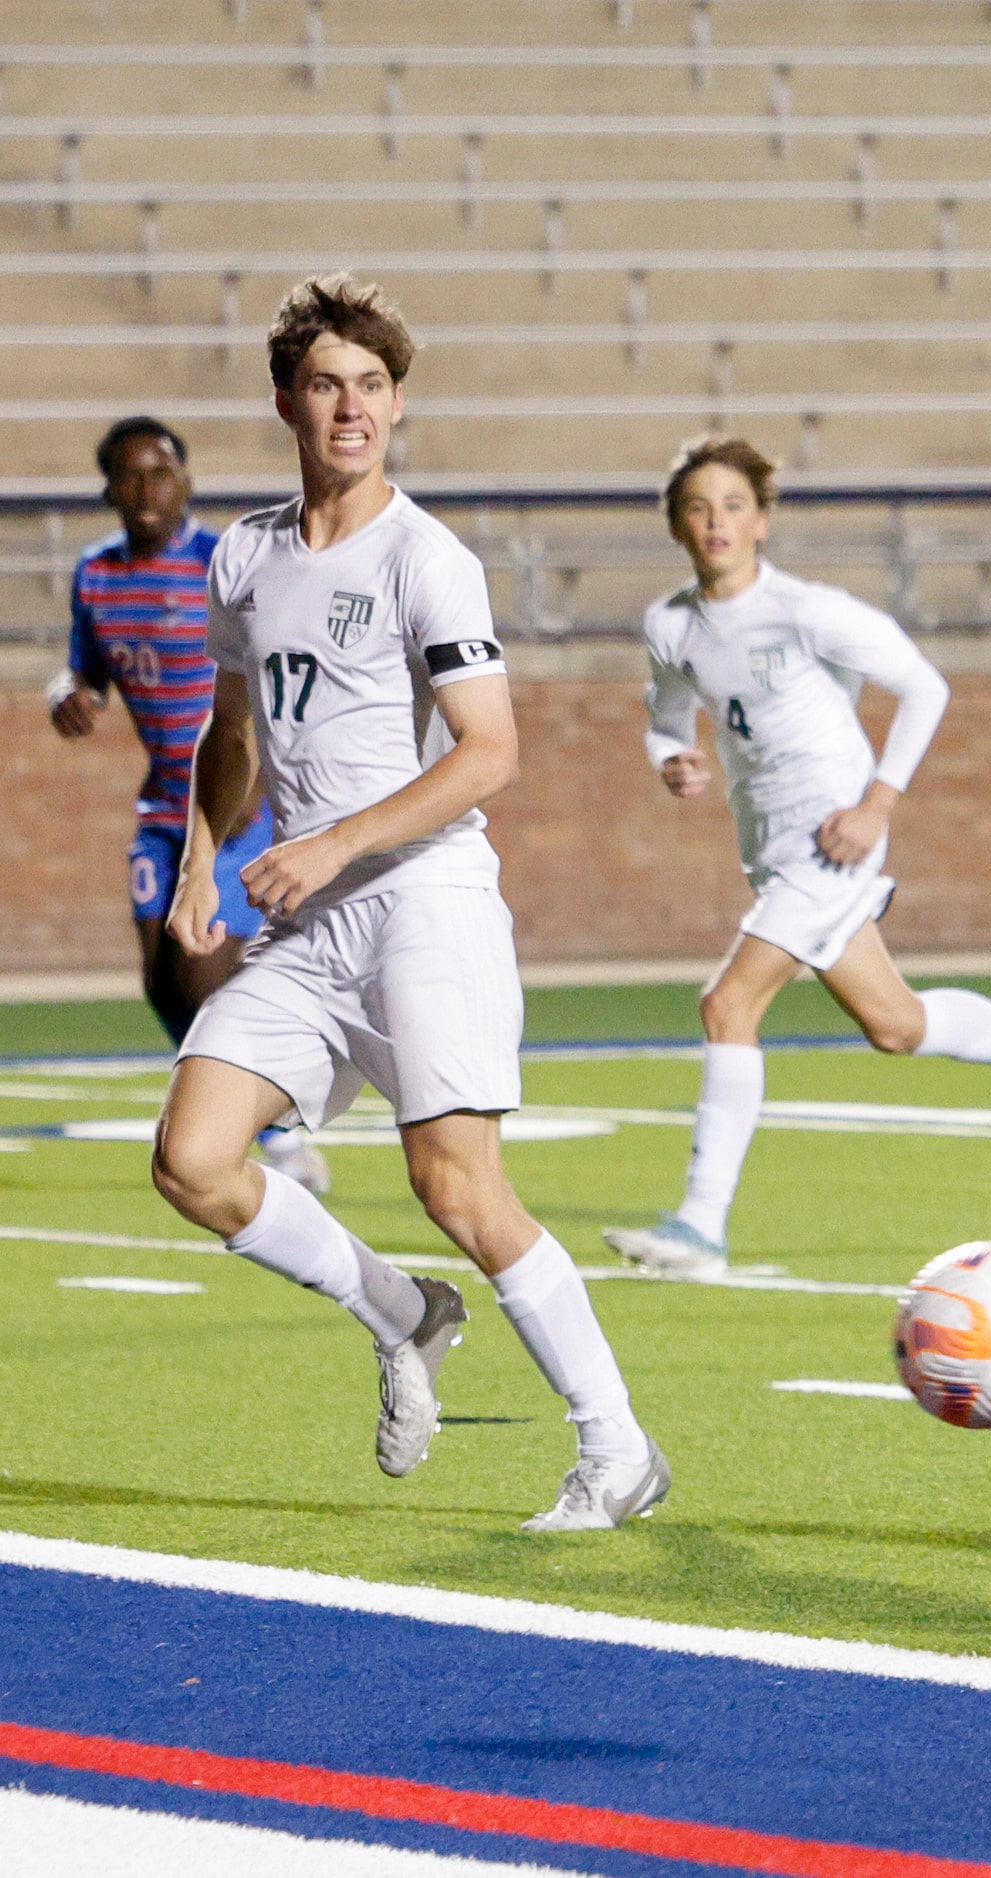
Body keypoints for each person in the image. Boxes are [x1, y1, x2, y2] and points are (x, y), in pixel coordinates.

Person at [151, 272, 668, 1532]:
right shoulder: (247, 551)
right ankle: (402, 1310)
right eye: (327, 384)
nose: (352, 408)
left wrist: (328, 847)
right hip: (307, 928)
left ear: (396, 406)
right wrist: (196, 853)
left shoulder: (429, 559)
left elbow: (487, 752)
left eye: (373, 387)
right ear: (287, 400)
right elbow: (233, 729)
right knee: (192, 1161)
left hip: (423, 903)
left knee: (461, 1189)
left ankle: (618, 1449)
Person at [600, 436, 991, 1284]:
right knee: (896, 1026)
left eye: (734, 507)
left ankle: (700, 1228)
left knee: (727, 1004)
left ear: (763, 522)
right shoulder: (670, 625)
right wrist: (670, 758)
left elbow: (926, 686)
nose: (717, 523)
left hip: (836, 833)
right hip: (770, 845)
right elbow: (665, 716)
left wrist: (876, 803)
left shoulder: (810, 611)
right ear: (677, 525)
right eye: (699, 509)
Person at [48, 417, 329, 1193]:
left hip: (236, 807)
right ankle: (265, 1117)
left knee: (204, 971)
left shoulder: (223, 564)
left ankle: (266, 1123)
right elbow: (81, 670)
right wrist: (67, 696)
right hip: (162, 808)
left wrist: (259, 780)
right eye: (129, 475)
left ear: (187, 482)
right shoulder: (96, 574)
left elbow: (282, 678)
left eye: (160, 472)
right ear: (107, 488)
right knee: (159, 980)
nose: (146, 489)